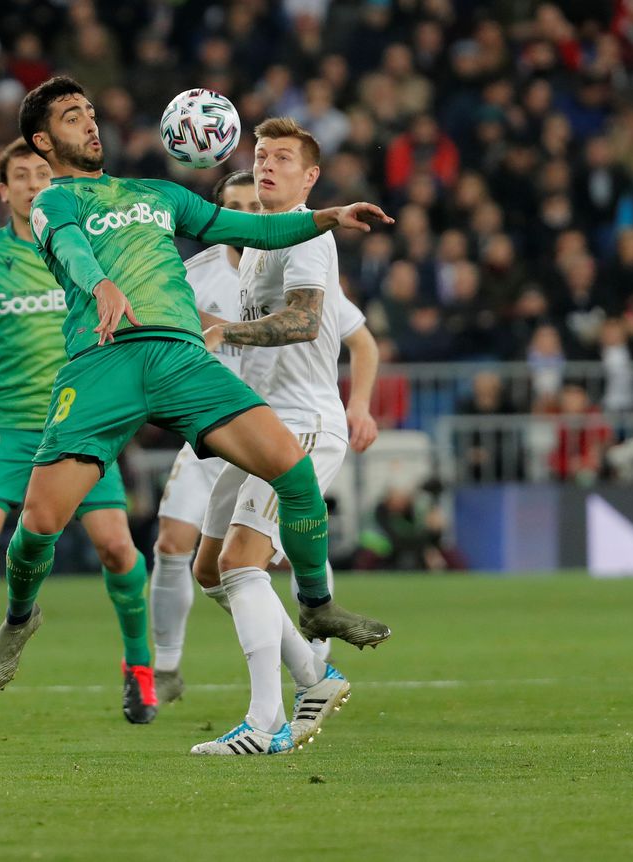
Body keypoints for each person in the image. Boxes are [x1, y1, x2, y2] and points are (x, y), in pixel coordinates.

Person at [0, 76, 393, 709]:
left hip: (180, 356)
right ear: (42, 140)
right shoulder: (52, 203)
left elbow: (250, 229)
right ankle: (19, 616)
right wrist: (101, 286)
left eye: (90, 112)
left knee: (291, 465)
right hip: (103, 362)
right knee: (38, 523)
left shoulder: (158, 193)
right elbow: (68, 247)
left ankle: (316, 606)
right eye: (71, 117)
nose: (90, 123)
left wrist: (329, 215)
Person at [0, 139, 155, 727]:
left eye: (42, 173)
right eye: (20, 175)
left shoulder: (86, 244)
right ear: (4, 189)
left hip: (81, 420)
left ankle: (139, 668)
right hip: (7, 425)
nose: (32, 183)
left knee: (118, 547)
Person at [189, 118, 382, 756]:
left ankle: (265, 722)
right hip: (258, 426)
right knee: (211, 570)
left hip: (301, 425)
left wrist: (227, 332)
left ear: (311, 177)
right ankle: (313, 675)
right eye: (261, 154)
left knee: (243, 562)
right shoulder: (263, 243)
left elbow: (302, 323)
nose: (266, 165)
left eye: (282, 158)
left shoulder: (308, 240)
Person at [149, 170, 257, 704]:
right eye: (231, 206)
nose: (241, 215)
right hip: (208, 433)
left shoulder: (292, 267)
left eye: (251, 205)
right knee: (171, 542)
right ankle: (164, 665)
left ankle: (316, 652)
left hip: (266, 433)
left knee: (269, 555)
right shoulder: (194, 274)